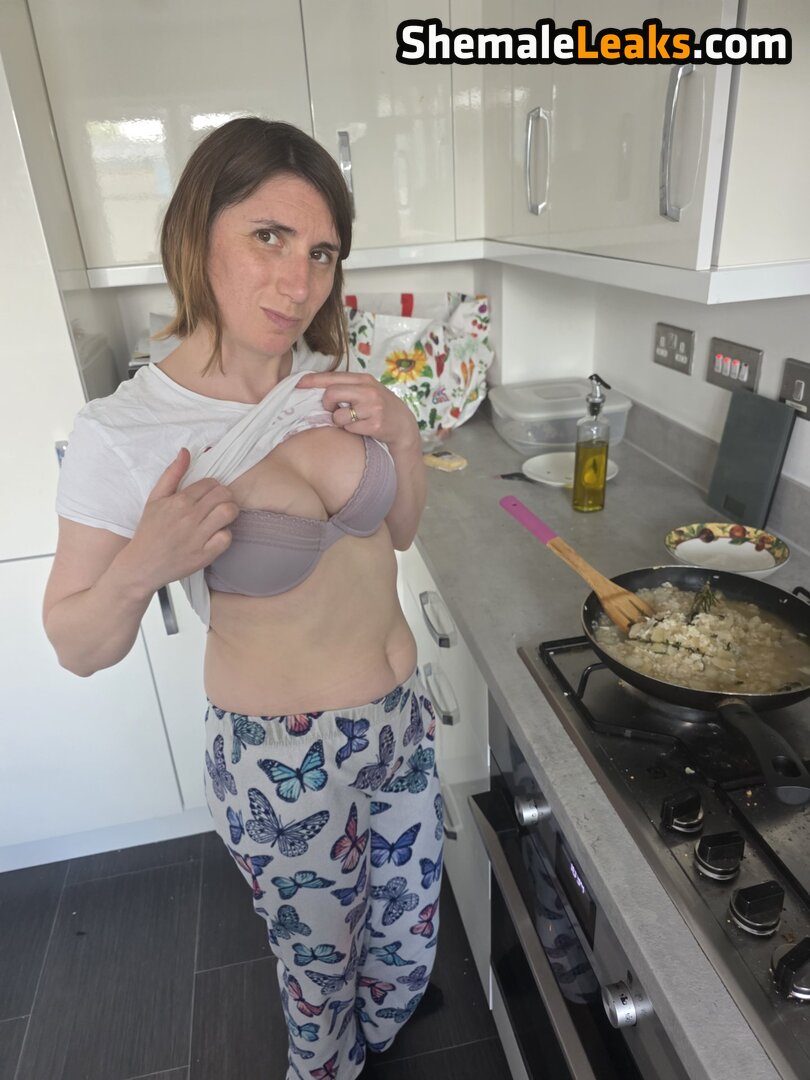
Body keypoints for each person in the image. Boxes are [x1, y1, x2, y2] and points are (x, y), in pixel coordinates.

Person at [43, 116, 443, 1080]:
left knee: (405, 946)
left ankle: (386, 1039)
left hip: (401, 721)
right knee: (319, 978)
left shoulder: (329, 384)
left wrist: (402, 436)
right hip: (283, 760)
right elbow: (75, 644)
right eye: (269, 237)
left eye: (321, 253)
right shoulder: (126, 431)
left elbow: (398, 533)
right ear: (198, 235)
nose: (297, 282)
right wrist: (144, 562)